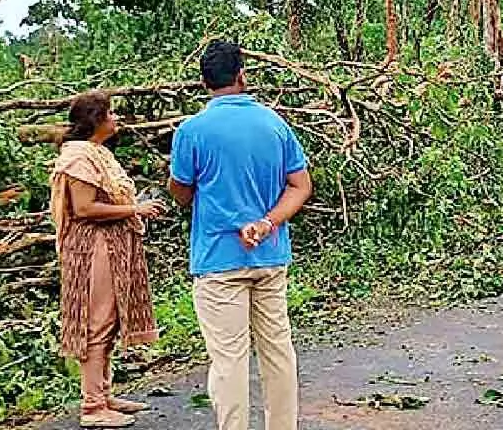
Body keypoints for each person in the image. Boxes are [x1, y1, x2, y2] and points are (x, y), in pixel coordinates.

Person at [168, 40, 313, 430]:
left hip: (218, 259)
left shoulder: (192, 130)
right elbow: (300, 186)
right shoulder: (274, 124)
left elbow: (181, 193)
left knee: (229, 359)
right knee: (278, 351)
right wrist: (267, 223)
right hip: (269, 256)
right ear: (241, 75)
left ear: (204, 82)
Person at [50, 91, 163, 429]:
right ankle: (92, 406)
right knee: (96, 322)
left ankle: (104, 393)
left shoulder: (97, 153)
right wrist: (134, 209)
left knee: (110, 319)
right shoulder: (78, 159)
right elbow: (84, 208)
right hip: (92, 246)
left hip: (111, 243)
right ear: (95, 120)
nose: (116, 119)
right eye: (110, 113)